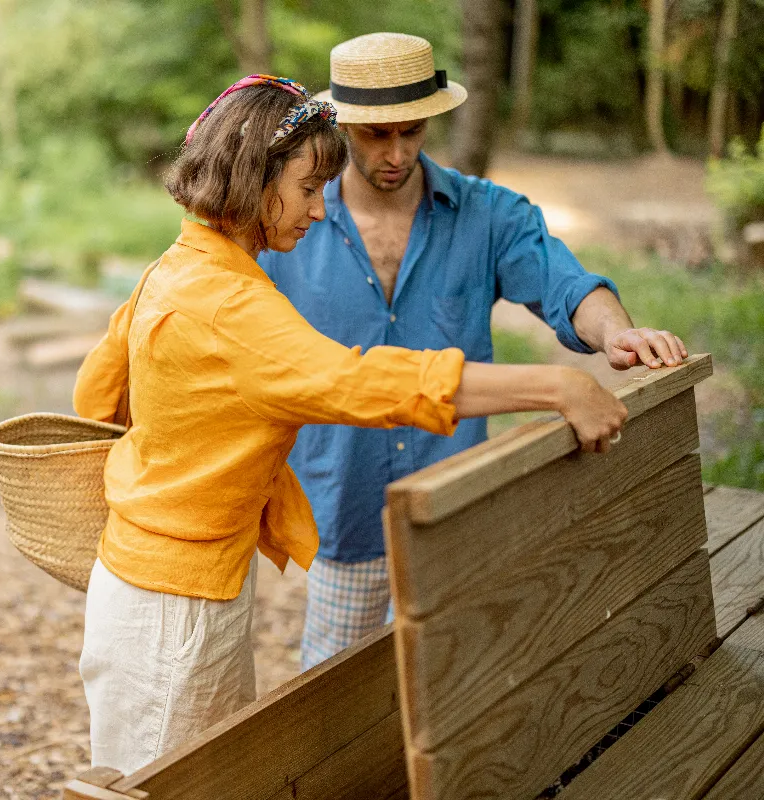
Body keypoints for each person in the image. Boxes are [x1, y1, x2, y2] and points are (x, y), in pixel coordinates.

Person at [72, 74, 627, 775]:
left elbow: (96, 392)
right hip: (170, 607)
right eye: (307, 189)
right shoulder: (228, 302)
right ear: (254, 175)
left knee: (207, 781)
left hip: (178, 582)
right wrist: (553, 384)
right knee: (153, 786)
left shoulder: (183, 266)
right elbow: (357, 381)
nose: (315, 209)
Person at [256, 33, 690, 671]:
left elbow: (564, 284)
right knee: (336, 698)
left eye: (412, 132)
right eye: (378, 136)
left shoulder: (488, 214)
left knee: (458, 684)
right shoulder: (292, 221)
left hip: (454, 507)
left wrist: (615, 333)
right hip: (340, 508)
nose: (397, 153)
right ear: (345, 127)